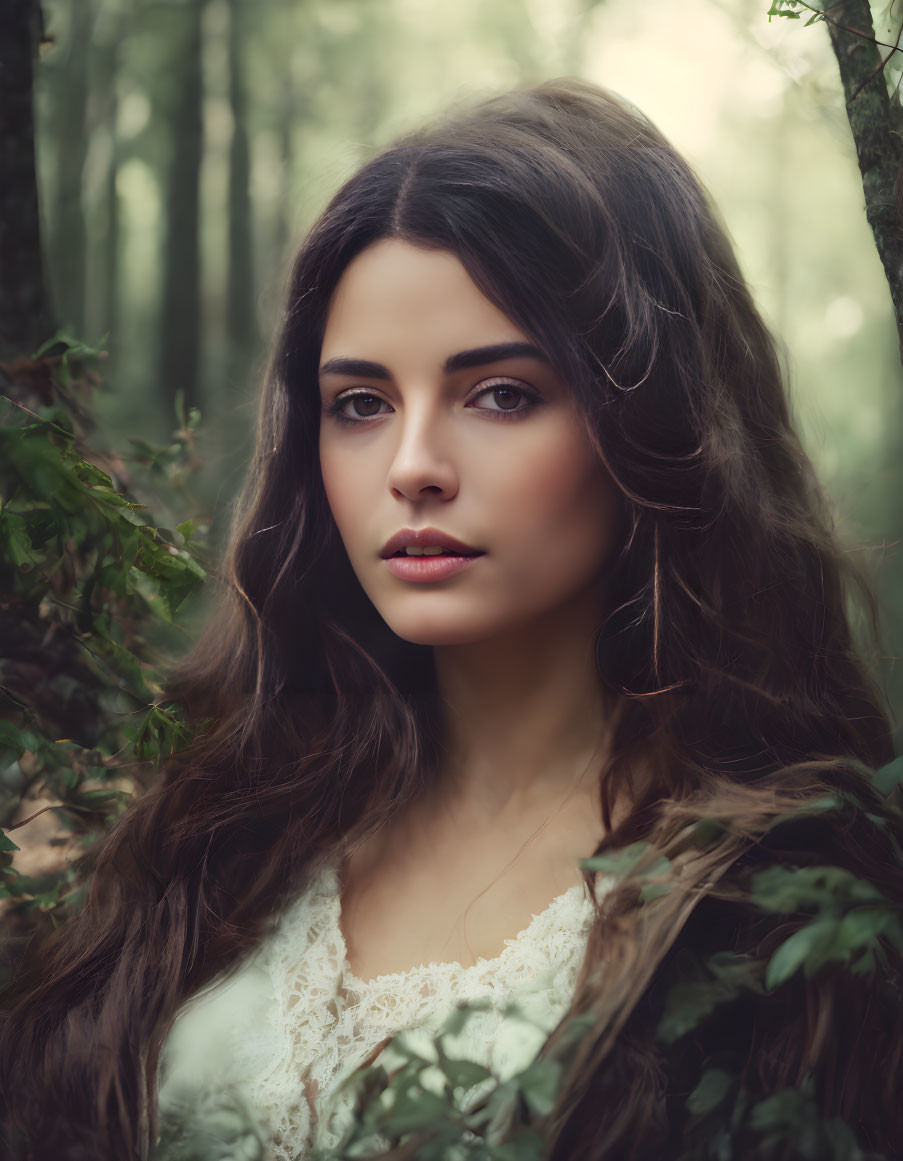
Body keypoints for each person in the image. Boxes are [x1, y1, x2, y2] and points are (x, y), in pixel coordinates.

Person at [2, 77, 902, 1161]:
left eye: (501, 394)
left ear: (654, 418)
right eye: (361, 405)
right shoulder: (225, 820)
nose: (413, 467)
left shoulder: (786, 884)